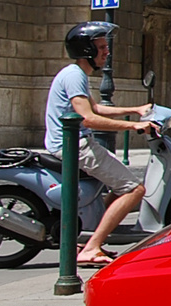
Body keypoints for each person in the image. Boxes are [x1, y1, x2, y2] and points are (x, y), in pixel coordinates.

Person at [46, 22, 158, 266]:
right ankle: (93, 246)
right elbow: (88, 118)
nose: (106, 52)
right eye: (101, 47)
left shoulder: (74, 74)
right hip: (73, 145)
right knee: (134, 189)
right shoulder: (75, 75)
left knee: (119, 186)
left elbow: (95, 108)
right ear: (86, 51)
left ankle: (88, 239)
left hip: (72, 143)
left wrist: (135, 110)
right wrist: (133, 126)